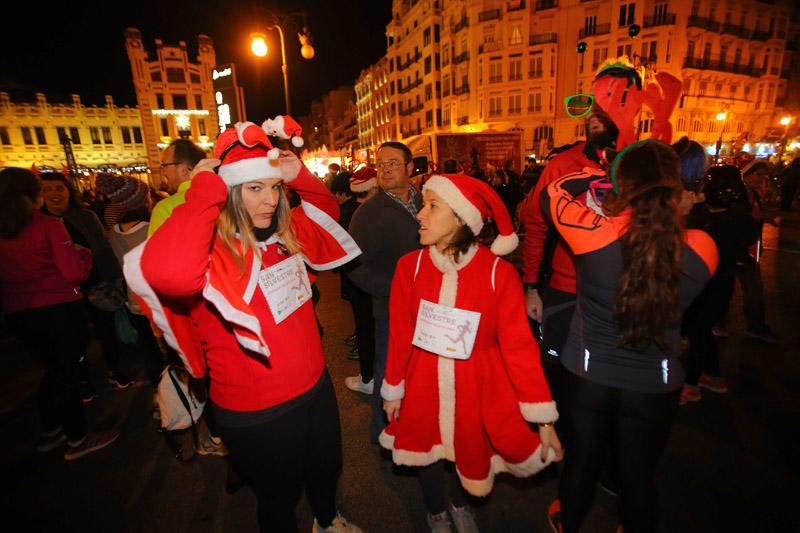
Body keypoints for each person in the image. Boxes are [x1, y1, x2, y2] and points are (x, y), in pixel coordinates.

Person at [125, 121, 362, 533]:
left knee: (326, 468)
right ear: (229, 189)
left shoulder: (283, 234)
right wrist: (203, 189)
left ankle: (328, 521)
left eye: (274, 187)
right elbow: (171, 275)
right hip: (257, 410)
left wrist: (298, 175)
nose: (271, 199)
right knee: (277, 497)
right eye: (255, 188)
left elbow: (329, 213)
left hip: (316, 386)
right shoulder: (211, 251)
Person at [540, 140, 717, 532]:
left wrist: (594, 175)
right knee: (638, 474)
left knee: (581, 461)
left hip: (588, 375)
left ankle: (570, 522)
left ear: (623, 185)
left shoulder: (593, 234)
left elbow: (551, 194)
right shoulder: (703, 248)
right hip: (654, 383)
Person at [380, 173, 562, 532]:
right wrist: (393, 387)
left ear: (462, 218)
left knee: (466, 448)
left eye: (433, 206)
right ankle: (436, 512)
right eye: (423, 205)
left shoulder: (498, 274)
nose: (420, 214)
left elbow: (519, 349)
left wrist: (543, 418)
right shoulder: (410, 268)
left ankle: (459, 504)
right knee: (427, 452)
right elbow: (400, 332)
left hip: (476, 384)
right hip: (422, 381)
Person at [0, 168, 119, 460]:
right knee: (65, 372)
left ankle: (50, 429)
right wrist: (84, 255)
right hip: (58, 308)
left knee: (53, 370)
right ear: (34, 194)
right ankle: (78, 438)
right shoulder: (48, 225)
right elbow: (72, 273)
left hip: (18, 311)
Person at [347, 141, 422, 443]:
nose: (386, 168)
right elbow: (354, 266)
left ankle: (418, 429)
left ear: (410, 168)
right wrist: (393, 289)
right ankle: (382, 434)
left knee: (421, 373)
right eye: (381, 163)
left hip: (430, 306)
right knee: (388, 371)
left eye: (393, 162)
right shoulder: (369, 213)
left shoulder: (426, 201)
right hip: (391, 309)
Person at [41, 172, 131, 393]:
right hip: (60, 291)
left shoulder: (85, 216)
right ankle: (82, 381)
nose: (54, 194)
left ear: (68, 191)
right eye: (47, 189)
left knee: (106, 330)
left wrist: (113, 278)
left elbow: (102, 246)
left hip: (95, 283)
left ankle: (114, 369)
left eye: (58, 188)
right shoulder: (39, 223)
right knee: (73, 337)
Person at [681, 166, 760, 405]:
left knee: (699, 330)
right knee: (700, 329)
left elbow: (743, 241)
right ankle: (713, 376)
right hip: (698, 280)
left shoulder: (737, 217)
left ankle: (691, 384)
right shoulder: (701, 211)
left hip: (718, 282)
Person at [105, 175, 165, 391]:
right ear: (142, 200)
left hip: (134, 299)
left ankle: (158, 390)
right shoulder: (150, 228)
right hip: (157, 298)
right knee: (168, 348)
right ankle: (175, 393)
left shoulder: (114, 232)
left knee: (148, 348)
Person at [339, 167, 379, 393]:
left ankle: (369, 376)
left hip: (356, 280)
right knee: (370, 329)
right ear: (372, 187)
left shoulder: (348, 212)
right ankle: (369, 377)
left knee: (366, 329)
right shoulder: (368, 213)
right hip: (368, 281)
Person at [148, 139, 206, 236]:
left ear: (183, 170)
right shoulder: (222, 198)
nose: (162, 172)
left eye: (165, 165)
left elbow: (157, 250)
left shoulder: (165, 209)